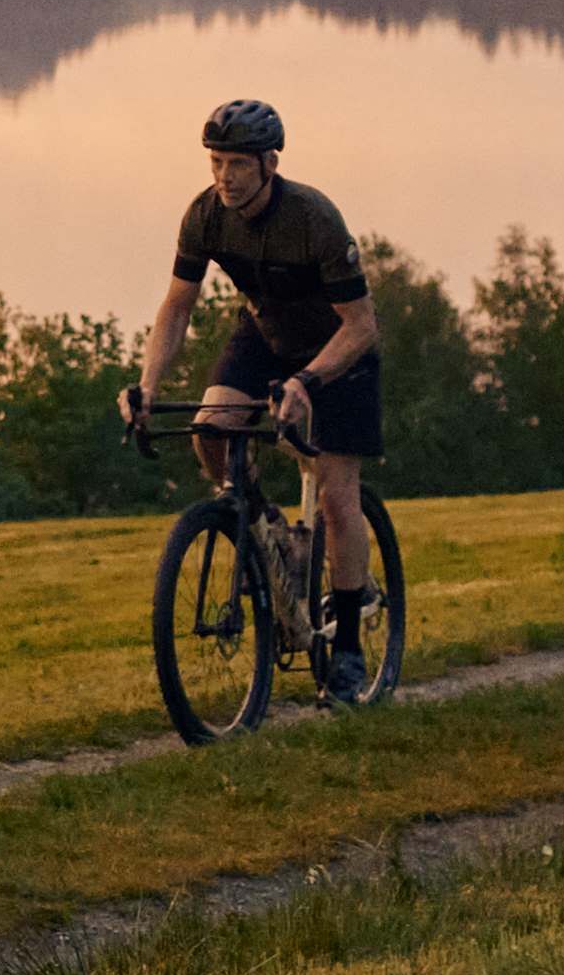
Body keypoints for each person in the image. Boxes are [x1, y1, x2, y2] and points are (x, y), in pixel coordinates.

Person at [141, 94, 385, 696]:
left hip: (336, 351)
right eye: (216, 163)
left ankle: (349, 644)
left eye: (238, 165)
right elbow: (177, 309)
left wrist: (306, 382)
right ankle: (271, 530)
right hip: (266, 332)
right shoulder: (204, 216)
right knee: (210, 428)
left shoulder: (313, 218)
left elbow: (362, 325)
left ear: (269, 165)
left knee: (336, 494)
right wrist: (146, 386)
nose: (224, 177)